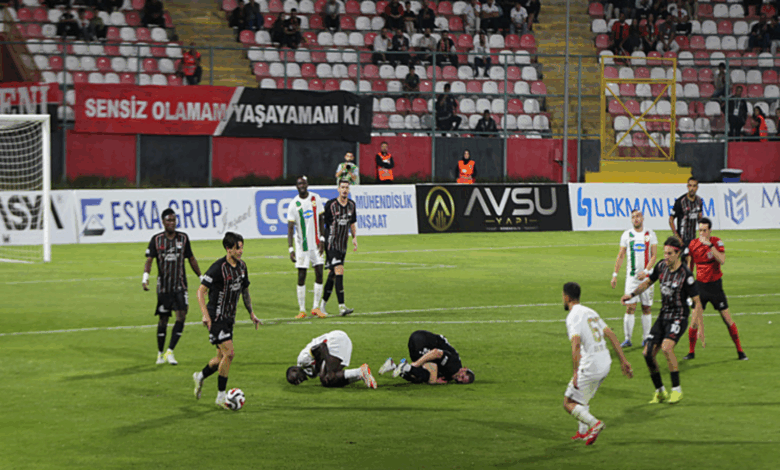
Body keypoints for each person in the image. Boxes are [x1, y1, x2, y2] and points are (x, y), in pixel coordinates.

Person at [620, 237, 706, 404]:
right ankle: (660, 391)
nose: (666, 256)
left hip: (679, 317)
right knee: (647, 354)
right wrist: (631, 294)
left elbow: (697, 302)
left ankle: (676, 390)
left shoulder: (685, 275)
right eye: (664, 253)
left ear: (678, 254)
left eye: (669, 253)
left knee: (667, 348)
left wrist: (697, 326)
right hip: (663, 316)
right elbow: (647, 283)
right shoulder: (660, 266)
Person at [192, 232, 261, 408]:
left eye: (242, 247)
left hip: (229, 318)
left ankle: (200, 376)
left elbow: (245, 292)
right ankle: (221, 396)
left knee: (220, 358)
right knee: (229, 354)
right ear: (228, 249)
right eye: (238, 248)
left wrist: (251, 313)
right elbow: (201, 291)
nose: (241, 251)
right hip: (215, 318)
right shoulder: (218, 268)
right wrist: (205, 315)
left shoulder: (242, 267)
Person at [562, 282, 633, 445]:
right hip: (605, 362)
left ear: (566, 297)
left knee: (569, 402)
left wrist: (575, 373)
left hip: (591, 364)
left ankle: (595, 424)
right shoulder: (590, 311)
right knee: (582, 399)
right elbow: (611, 334)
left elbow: (576, 344)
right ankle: (581, 433)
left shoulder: (573, 316)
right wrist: (623, 361)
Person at [143, 208, 202, 365]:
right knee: (163, 320)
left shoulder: (183, 238)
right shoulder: (156, 240)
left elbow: (191, 258)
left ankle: (170, 351)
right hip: (164, 288)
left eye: (174, 220)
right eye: (169, 220)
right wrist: (145, 278)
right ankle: (160, 353)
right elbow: (149, 260)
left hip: (180, 285)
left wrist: (201, 277)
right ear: (163, 222)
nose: (172, 223)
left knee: (182, 316)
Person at [685, 218, 748, 361]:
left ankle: (740, 351)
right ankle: (691, 352)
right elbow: (690, 267)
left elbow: (722, 260)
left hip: (715, 287)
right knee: (694, 320)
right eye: (700, 230)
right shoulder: (693, 245)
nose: (701, 233)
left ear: (710, 231)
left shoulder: (716, 242)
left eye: (704, 230)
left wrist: (710, 246)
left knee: (727, 319)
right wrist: (688, 287)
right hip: (700, 287)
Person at [610, 209, 658, 348]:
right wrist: (615, 275)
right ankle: (627, 339)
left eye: (638, 216)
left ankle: (646, 338)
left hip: (647, 278)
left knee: (646, 308)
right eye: (633, 217)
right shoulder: (626, 235)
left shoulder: (650, 234)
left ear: (642, 218)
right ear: (631, 220)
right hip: (632, 278)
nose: (635, 219)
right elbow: (621, 255)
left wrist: (647, 271)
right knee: (630, 307)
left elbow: (654, 255)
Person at [287, 176, 327, 318]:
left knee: (319, 273)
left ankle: (316, 307)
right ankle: (302, 309)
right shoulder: (293, 204)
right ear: (296, 186)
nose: (302, 186)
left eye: (303, 183)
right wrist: (290, 248)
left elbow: (322, 219)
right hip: (302, 246)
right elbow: (290, 228)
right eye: (299, 184)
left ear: (307, 184)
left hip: (316, 244)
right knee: (301, 276)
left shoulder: (316, 198)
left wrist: (322, 239)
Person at [377, 330, 475, 385]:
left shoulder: (450, 375)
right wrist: (417, 364)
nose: (459, 379)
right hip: (422, 341)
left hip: (416, 340)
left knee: (419, 378)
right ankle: (406, 366)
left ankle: (394, 366)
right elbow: (436, 353)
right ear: (464, 369)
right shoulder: (454, 365)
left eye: (461, 382)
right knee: (430, 378)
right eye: (462, 376)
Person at [286, 330, 377, 388]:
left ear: (294, 369)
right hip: (339, 346)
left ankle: (361, 372)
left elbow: (322, 346)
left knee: (327, 377)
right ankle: (360, 374)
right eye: (295, 383)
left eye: (294, 378)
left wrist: (329, 371)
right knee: (329, 382)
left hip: (335, 341)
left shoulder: (303, 360)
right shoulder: (310, 373)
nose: (297, 381)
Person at [320, 180, 358, 316]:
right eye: (342, 187)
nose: (345, 190)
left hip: (343, 245)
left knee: (332, 275)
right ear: (338, 189)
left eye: (347, 188)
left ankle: (322, 305)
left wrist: (354, 238)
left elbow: (352, 223)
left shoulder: (352, 205)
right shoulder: (331, 205)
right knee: (339, 271)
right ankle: (342, 307)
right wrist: (322, 240)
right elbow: (323, 223)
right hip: (331, 244)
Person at [669, 176, 703, 269]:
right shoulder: (680, 202)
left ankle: (686, 281)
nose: (692, 188)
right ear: (687, 186)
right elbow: (671, 219)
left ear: (697, 187)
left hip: (693, 238)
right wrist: (676, 236)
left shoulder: (699, 201)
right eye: (690, 186)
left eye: (694, 186)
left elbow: (700, 217)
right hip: (682, 238)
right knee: (687, 261)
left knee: (689, 264)